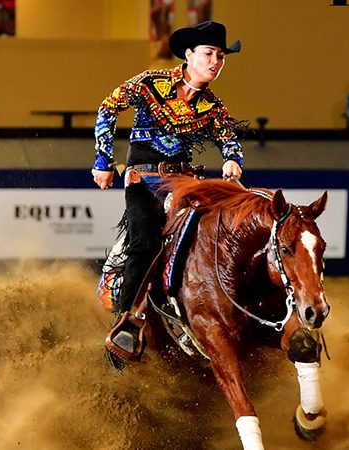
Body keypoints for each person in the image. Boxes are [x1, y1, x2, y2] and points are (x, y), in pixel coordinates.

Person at [92, 21, 244, 362]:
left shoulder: (213, 107)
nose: (216, 62)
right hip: (143, 183)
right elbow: (108, 107)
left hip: (184, 183)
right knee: (145, 242)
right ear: (189, 55)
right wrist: (104, 159)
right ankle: (125, 324)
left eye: (221, 56)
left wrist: (233, 160)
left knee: (208, 238)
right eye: (209, 54)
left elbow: (229, 138)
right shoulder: (150, 83)